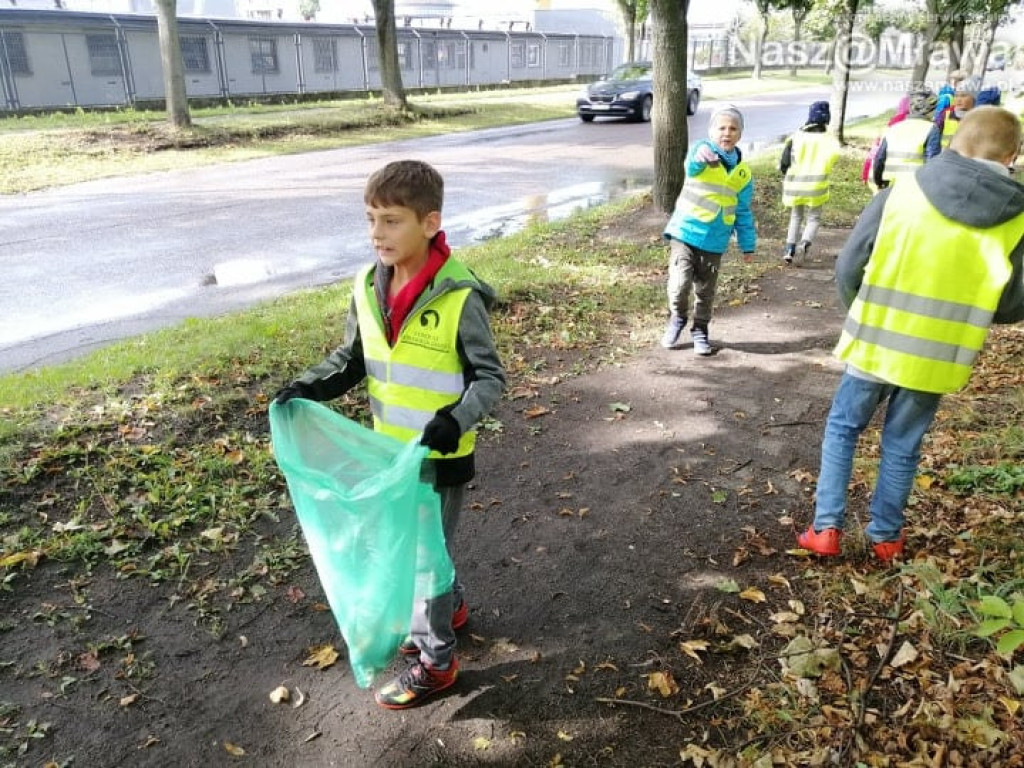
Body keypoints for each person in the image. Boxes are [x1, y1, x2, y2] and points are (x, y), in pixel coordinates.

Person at [274, 159, 506, 708]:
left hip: (440, 457)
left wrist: (454, 420)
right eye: (371, 219)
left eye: (391, 221)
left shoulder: (458, 298)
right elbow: (352, 358)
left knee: (425, 562)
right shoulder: (365, 286)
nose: (377, 233)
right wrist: (305, 388)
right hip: (390, 455)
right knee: (421, 552)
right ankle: (450, 608)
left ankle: (437, 662)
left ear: (429, 223)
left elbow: (490, 378)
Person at [798, 106, 1024, 563]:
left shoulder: (902, 192)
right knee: (902, 444)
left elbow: (848, 266)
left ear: (956, 140)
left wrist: (860, 310)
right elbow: (1015, 301)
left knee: (843, 429)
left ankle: (826, 529)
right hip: (940, 356)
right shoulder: (1016, 219)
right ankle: (886, 538)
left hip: (876, 340)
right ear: (1012, 154)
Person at [661, 105, 756, 355]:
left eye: (733, 128)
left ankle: (700, 330)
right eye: (721, 128)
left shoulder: (743, 174)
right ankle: (677, 318)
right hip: (685, 233)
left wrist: (748, 244)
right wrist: (699, 152)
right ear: (712, 131)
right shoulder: (702, 153)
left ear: (740, 134)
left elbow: (743, 212)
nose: (727, 133)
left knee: (705, 291)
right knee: (679, 285)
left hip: (715, 241)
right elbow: (692, 163)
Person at [780, 100, 841, 265]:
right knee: (813, 217)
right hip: (817, 185)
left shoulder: (797, 136)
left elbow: (784, 161)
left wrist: (786, 173)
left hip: (796, 184)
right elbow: (834, 155)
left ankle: (789, 248)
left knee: (796, 216)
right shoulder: (828, 139)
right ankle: (805, 242)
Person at [871, 88, 937, 189]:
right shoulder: (931, 129)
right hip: (915, 183)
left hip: (889, 182)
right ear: (930, 109)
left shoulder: (893, 128)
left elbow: (880, 157)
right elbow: (932, 160)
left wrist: (878, 180)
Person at [862, 94, 910, 193]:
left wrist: (865, 174)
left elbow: (874, 154)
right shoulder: (914, 129)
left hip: (881, 177)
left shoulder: (887, 129)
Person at [926, 76, 980, 159]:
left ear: (973, 98)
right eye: (956, 95)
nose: (958, 99)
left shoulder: (980, 118)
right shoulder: (945, 114)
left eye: (963, 96)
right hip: (944, 161)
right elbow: (933, 142)